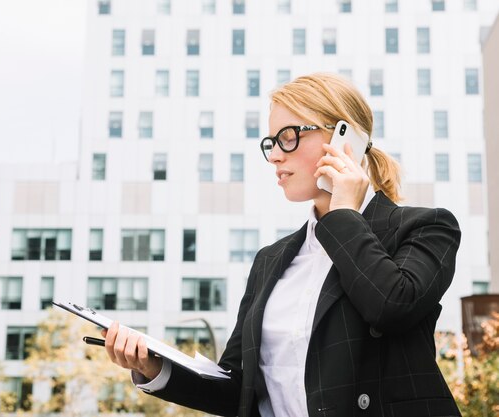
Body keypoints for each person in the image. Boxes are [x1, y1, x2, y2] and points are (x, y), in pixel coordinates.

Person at [101, 72, 462, 417]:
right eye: (271, 143)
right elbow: (237, 388)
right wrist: (153, 365)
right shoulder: (270, 261)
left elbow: (392, 305)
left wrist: (341, 211)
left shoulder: (426, 226)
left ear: (344, 137)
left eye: (288, 137)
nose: (275, 155)